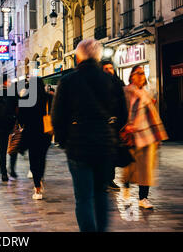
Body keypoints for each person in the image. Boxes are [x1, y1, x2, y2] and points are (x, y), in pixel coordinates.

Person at [51, 39, 128, 232]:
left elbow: (57, 116)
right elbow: (123, 114)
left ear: (78, 58)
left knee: (84, 197)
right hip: (105, 144)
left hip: (78, 145)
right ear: (98, 57)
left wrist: (64, 141)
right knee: (101, 193)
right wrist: (113, 133)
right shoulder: (111, 81)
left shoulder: (68, 81)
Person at [122, 65, 168, 209]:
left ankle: (143, 198)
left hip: (147, 136)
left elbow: (153, 116)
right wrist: (125, 127)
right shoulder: (126, 92)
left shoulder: (147, 94)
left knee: (146, 169)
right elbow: (121, 111)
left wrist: (157, 135)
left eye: (143, 73)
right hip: (131, 135)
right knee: (129, 168)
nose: (142, 76)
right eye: (139, 73)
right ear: (131, 76)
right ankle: (126, 187)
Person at [18, 76, 53, 200]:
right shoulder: (48, 97)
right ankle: (40, 179)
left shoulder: (25, 98)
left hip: (31, 133)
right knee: (42, 158)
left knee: (33, 159)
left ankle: (37, 186)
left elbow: (21, 118)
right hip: (45, 133)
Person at [101, 60, 125, 192]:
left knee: (112, 154)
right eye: (106, 69)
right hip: (102, 125)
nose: (109, 71)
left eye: (111, 68)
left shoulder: (119, 84)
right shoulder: (98, 85)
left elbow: (123, 103)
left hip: (116, 125)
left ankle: (110, 179)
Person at [0, 74, 18, 181]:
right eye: (9, 81)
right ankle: (12, 169)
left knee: (2, 149)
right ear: (5, 82)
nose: (10, 83)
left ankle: (4, 173)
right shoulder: (13, 94)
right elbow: (18, 108)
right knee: (13, 146)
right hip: (12, 124)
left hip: (0, 125)